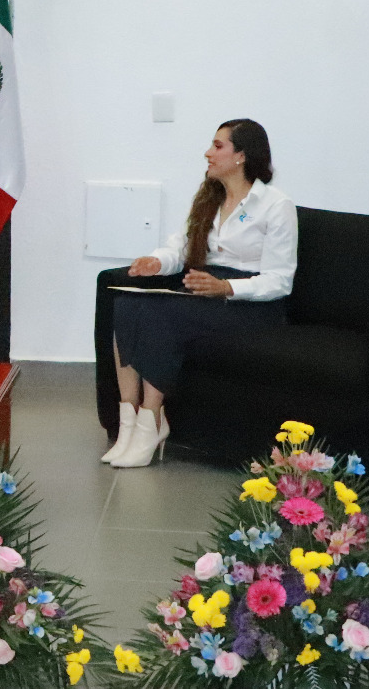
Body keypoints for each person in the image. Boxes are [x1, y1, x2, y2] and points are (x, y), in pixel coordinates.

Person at [104, 119, 298, 469]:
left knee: (158, 313)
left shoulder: (275, 205)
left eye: (218, 146)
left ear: (242, 155)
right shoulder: (209, 197)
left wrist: (226, 287)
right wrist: (155, 262)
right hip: (206, 290)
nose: (208, 153)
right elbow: (179, 249)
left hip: (250, 304)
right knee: (127, 303)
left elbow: (280, 281)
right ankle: (128, 421)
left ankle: (152, 421)